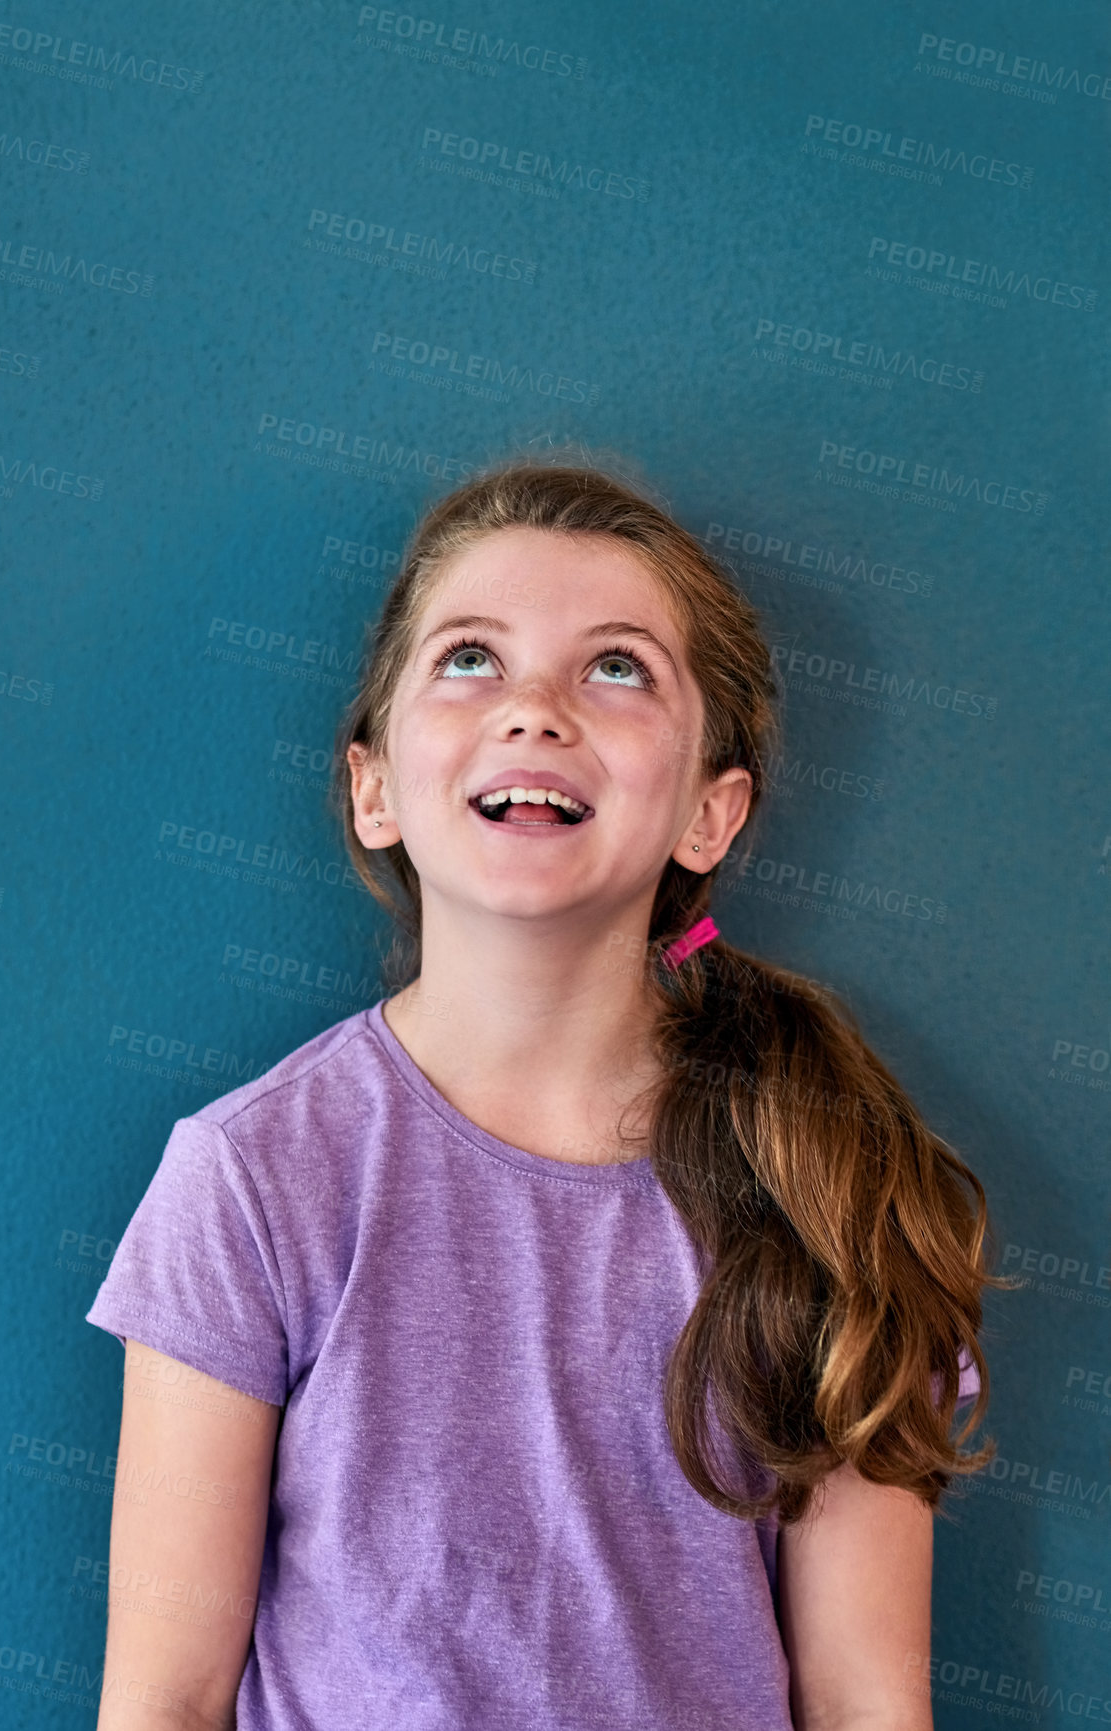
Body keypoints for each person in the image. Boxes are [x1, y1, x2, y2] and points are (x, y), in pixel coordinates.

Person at [87, 456, 1003, 1731]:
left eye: (617, 668)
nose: (536, 710)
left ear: (709, 814)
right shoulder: (250, 1179)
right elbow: (166, 1700)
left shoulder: (828, 1185)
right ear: (374, 788)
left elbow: (865, 1700)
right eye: (471, 658)